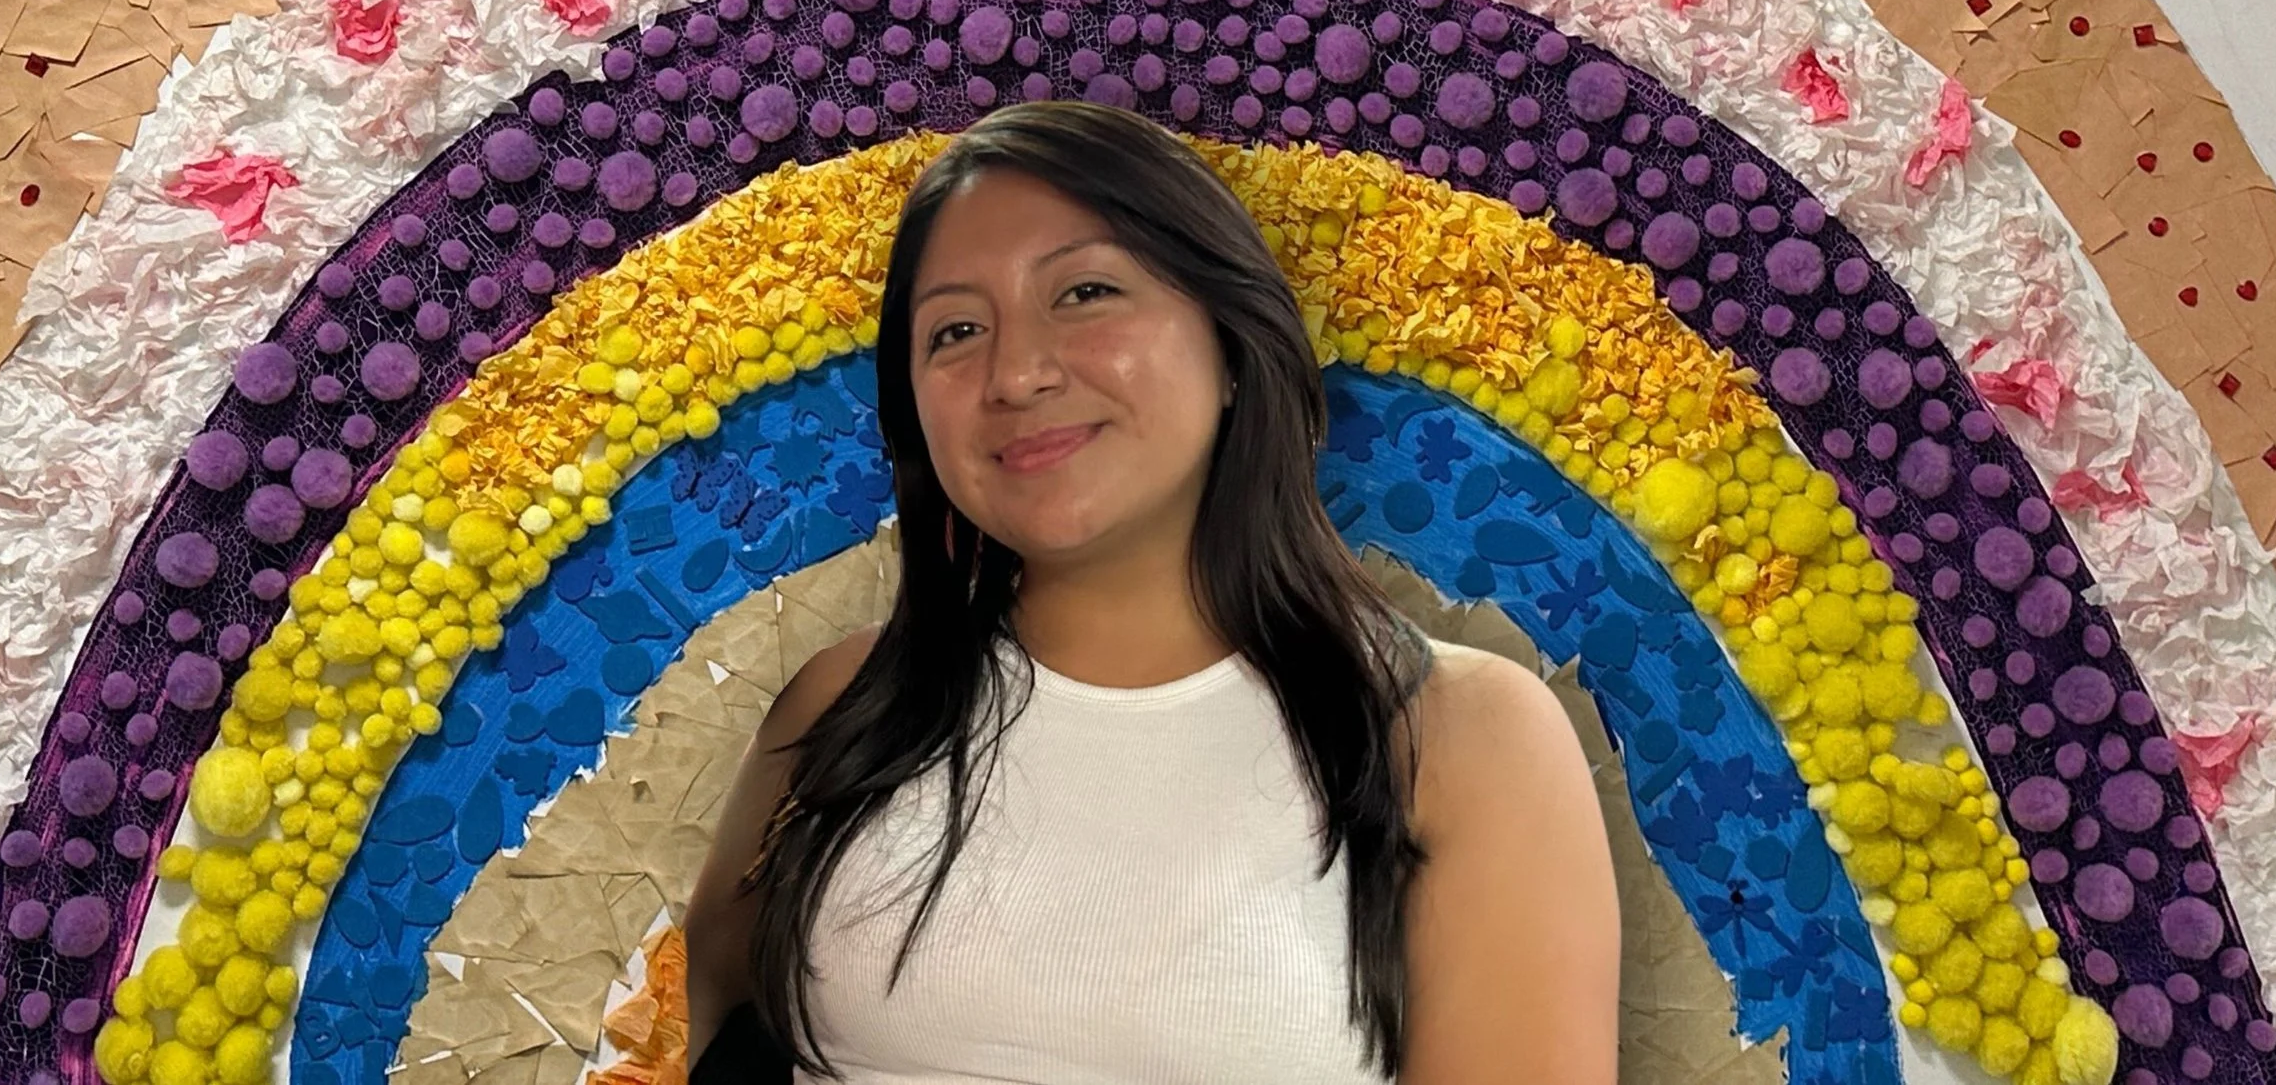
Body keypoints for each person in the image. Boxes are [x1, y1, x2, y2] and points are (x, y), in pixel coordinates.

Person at [682, 101, 1620, 1084]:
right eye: (954, 328)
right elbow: (715, 1005)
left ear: (1229, 340)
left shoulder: (1452, 732)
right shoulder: (846, 703)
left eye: (1084, 290)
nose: (1017, 372)